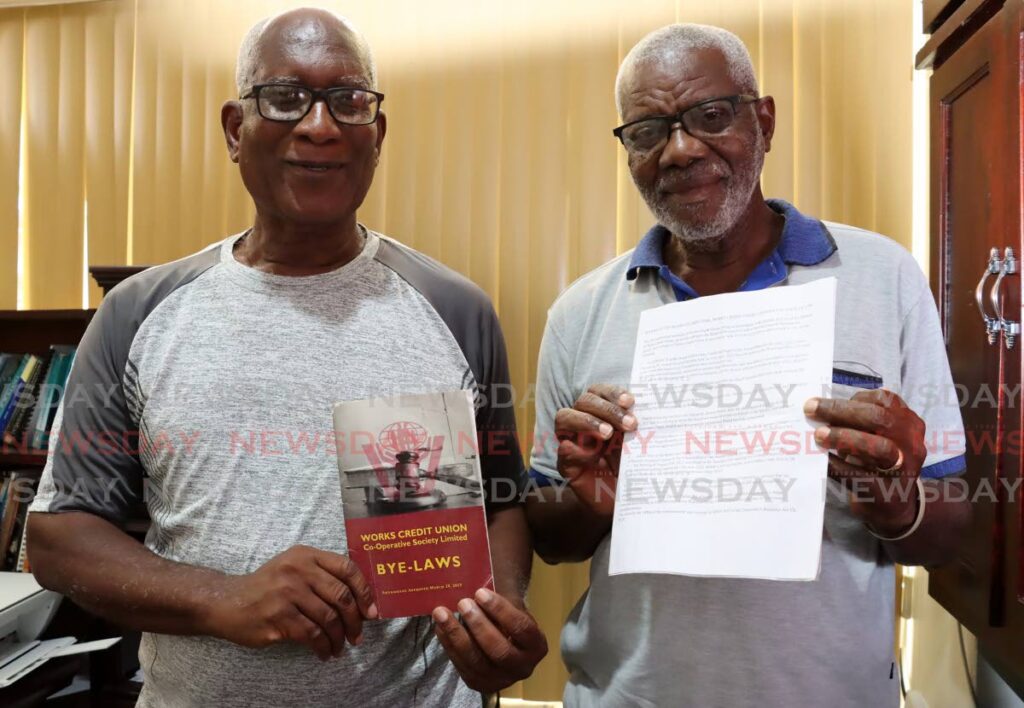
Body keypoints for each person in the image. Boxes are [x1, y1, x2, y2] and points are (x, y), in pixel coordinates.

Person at [26, 8, 545, 707]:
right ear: (236, 130)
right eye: (285, 97)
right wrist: (224, 599)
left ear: (377, 134)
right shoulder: (139, 313)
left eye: (349, 100)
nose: (320, 127)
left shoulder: (457, 310)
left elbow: (500, 500)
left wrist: (499, 608)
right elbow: (60, 538)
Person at [526, 23, 969, 708]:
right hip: (630, 695)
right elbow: (552, 537)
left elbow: (951, 525)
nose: (679, 150)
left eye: (710, 116)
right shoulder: (579, 311)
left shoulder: (884, 277)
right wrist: (593, 503)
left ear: (763, 121)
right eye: (647, 130)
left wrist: (898, 499)